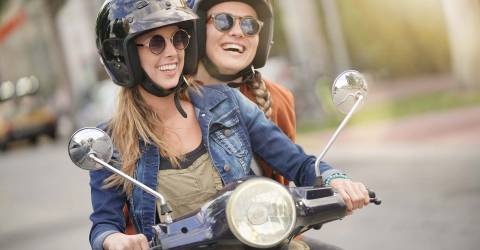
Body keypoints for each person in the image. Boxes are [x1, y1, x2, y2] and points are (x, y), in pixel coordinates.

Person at [91, 0, 370, 249]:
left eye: (178, 39)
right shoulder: (111, 141)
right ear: (123, 56)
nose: (172, 52)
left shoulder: (225, 101)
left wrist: (337, 180)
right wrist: (113, 240)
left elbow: (297, 162)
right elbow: (104, 224)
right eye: (156, 43)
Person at [190, 0, 295, 185]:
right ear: (197, 30)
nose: (238, 32)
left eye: (249, 24)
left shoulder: (277, 97)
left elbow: (290, 176)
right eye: (223, 21)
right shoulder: (170, 103)